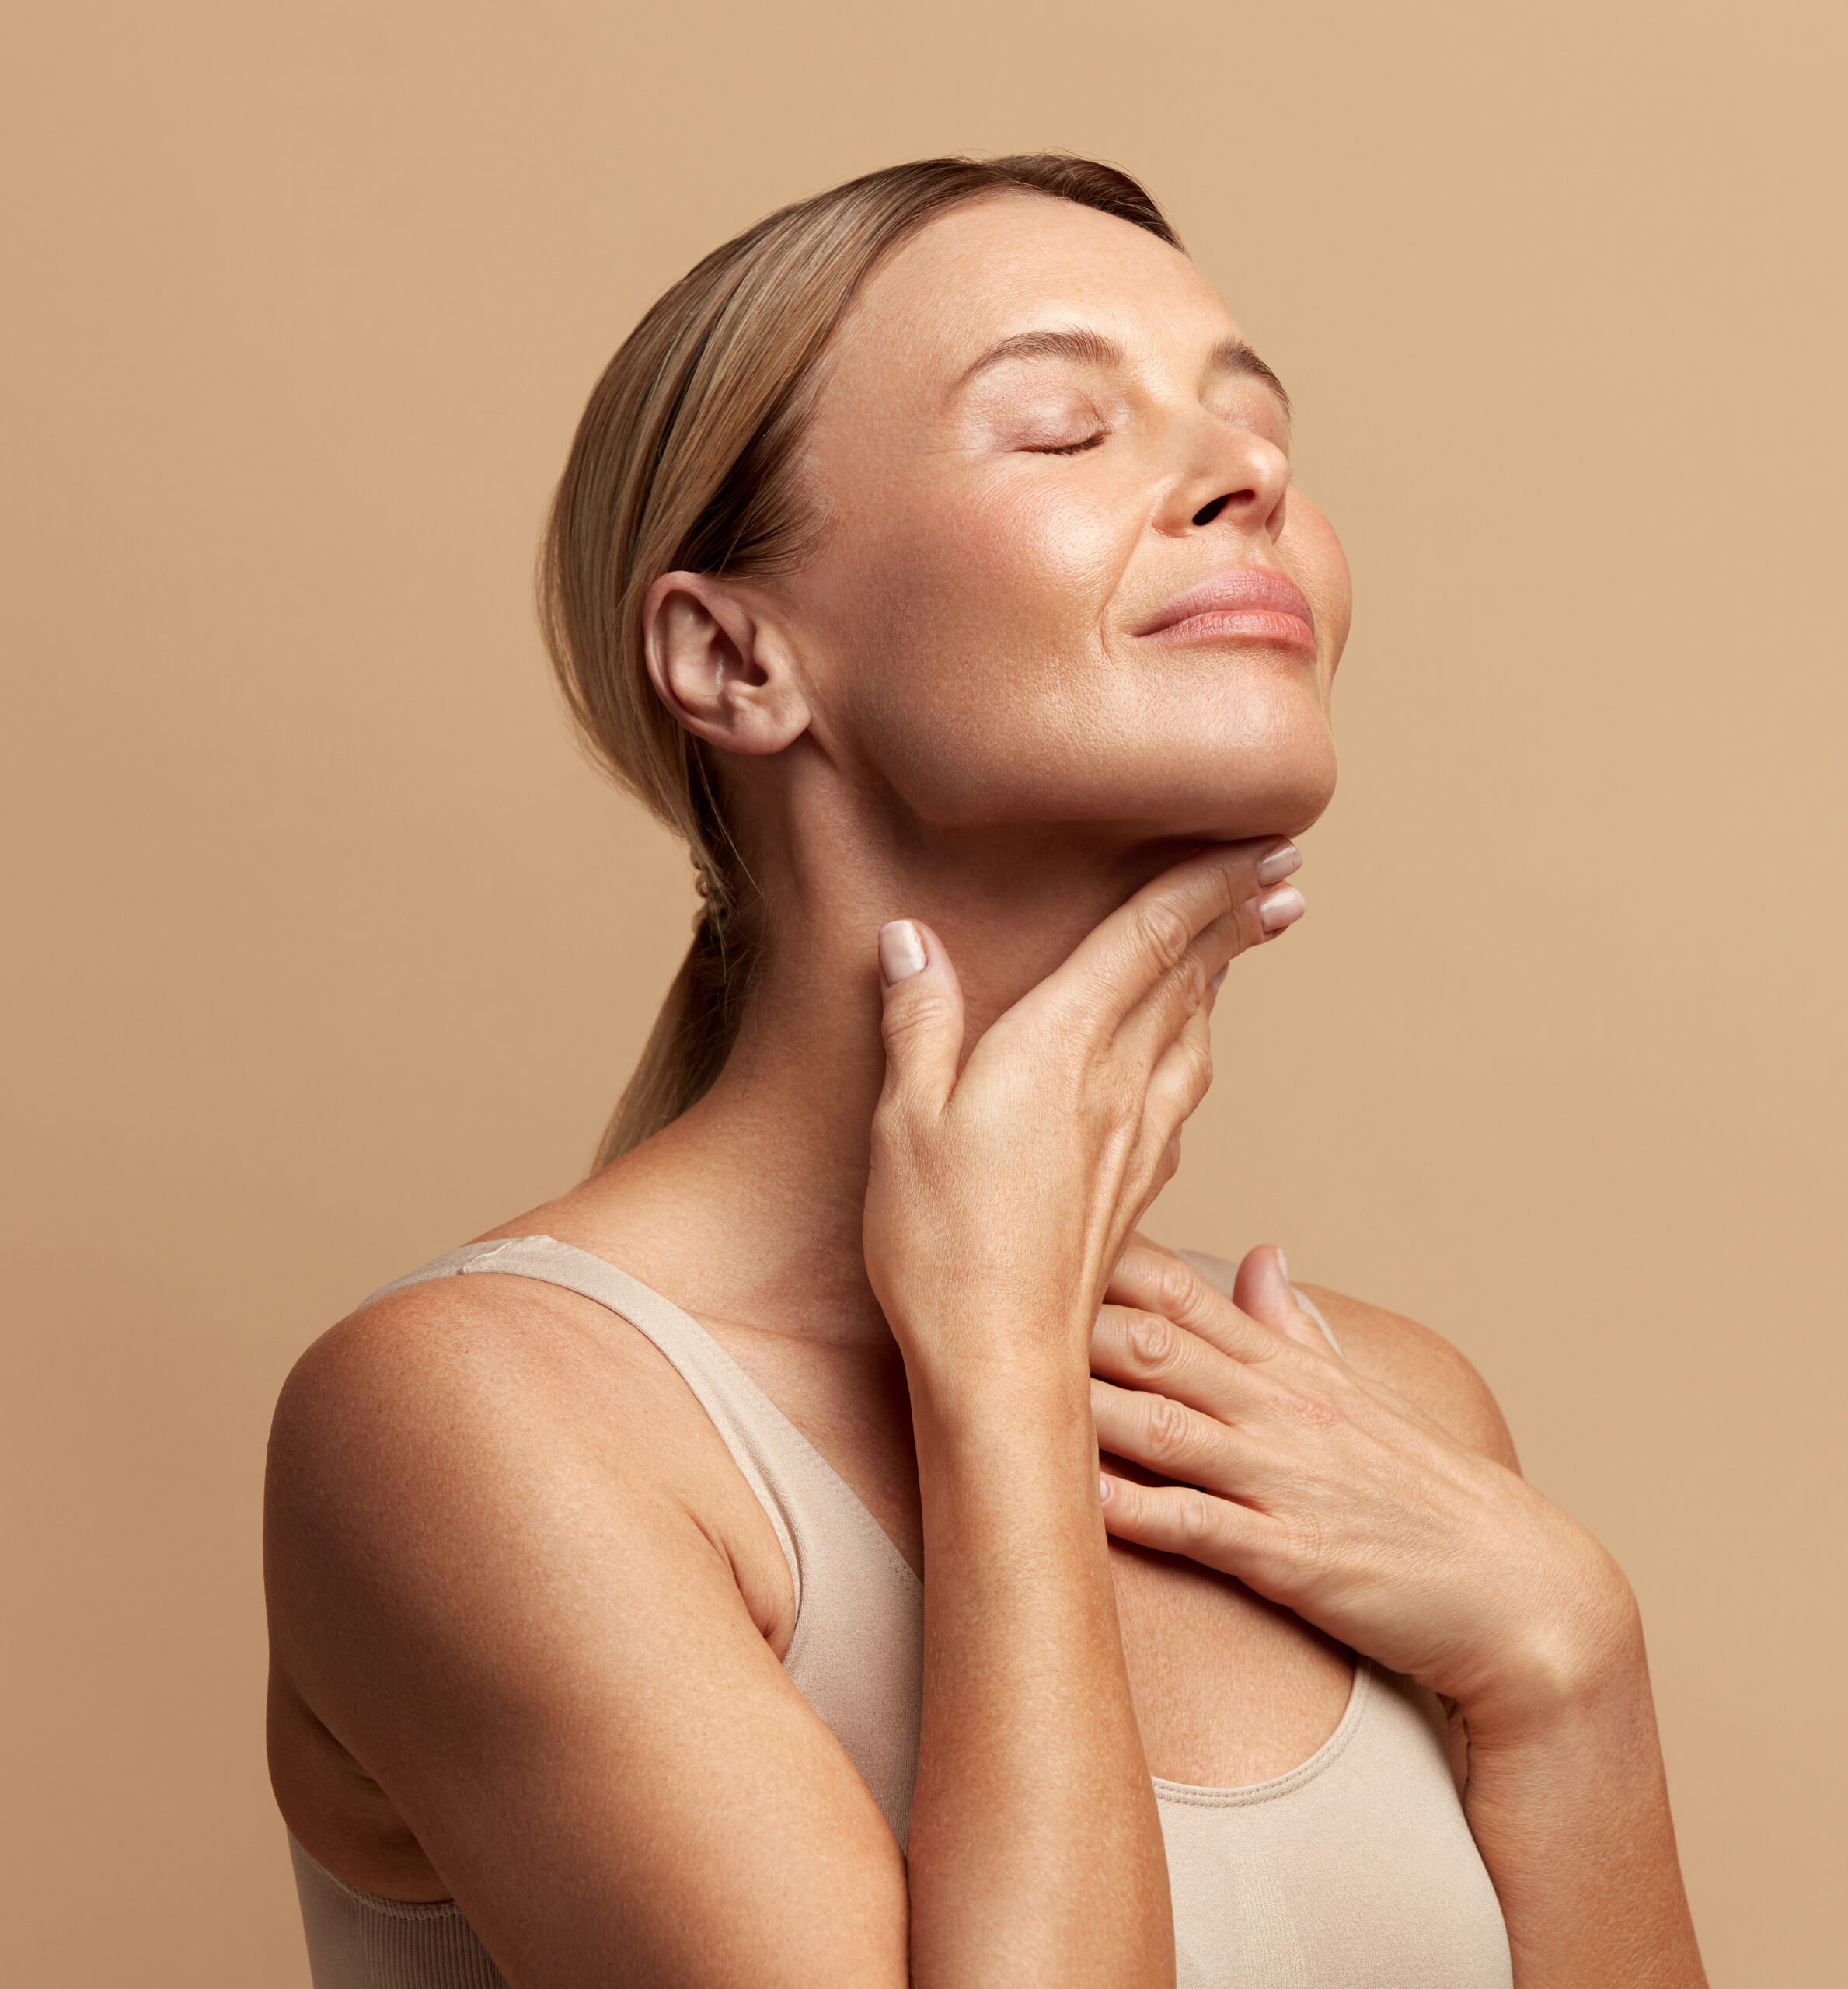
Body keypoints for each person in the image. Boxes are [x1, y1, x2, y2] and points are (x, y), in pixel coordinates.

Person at [263, 155, 1707, 1989]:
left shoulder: (1382, 1418)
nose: (1245, 475)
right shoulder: (482, 1424)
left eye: (1257, 424)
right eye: (1057, 428)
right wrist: (994, 1354)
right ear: (732, 652)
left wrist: (1572, 1664)